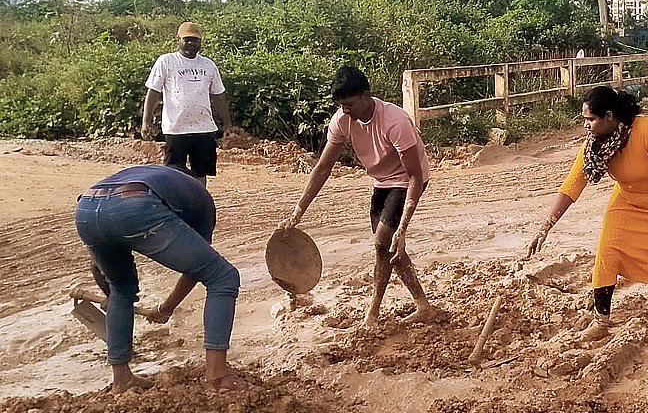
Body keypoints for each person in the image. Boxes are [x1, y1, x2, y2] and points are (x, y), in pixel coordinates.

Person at [527, 86, 648, 343]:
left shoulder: (647, 132)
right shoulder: (595, 146)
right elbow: (571, 186)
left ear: (609, 116)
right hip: (627, 203)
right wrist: (545, 227)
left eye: (590, 119)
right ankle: (601, 321)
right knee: (607, 253)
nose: (586, 125)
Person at [280, 65, 440, 329]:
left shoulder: (395, 121)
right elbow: (323, 167)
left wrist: (403, 227)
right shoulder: (342, 121)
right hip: (381, 182)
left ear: (366, 96)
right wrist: (299, 210)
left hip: (407, 180)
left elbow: (414, 176)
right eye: (341, 105)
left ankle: (372, 313)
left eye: (349, 104)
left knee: (383, 241)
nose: (345, 110)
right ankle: (423, 306)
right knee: (388, 246)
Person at [74, 165, 242, 393]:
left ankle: (121, 380)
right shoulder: (199, 197)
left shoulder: (151, 176)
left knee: (121, 289)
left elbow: (98, 267)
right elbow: (200, 270)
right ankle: (217, 377)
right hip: (133, 205)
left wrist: (113, 296)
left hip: (86, 208)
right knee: (223, 276)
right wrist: (166, 309)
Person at [142, 22, 234, 186]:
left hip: (204, 129)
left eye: (195, 39)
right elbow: (153, 92)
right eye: (187, 39)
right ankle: (176, 201)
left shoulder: (208, 65)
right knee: (173, 173)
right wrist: (146, 121)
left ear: (200, 42)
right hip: (176, 128)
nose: (191, 43)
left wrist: (227, 125)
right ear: (178, 40)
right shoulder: (166, 62)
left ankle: (198, 200)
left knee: (200, 174)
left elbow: (219, 95)